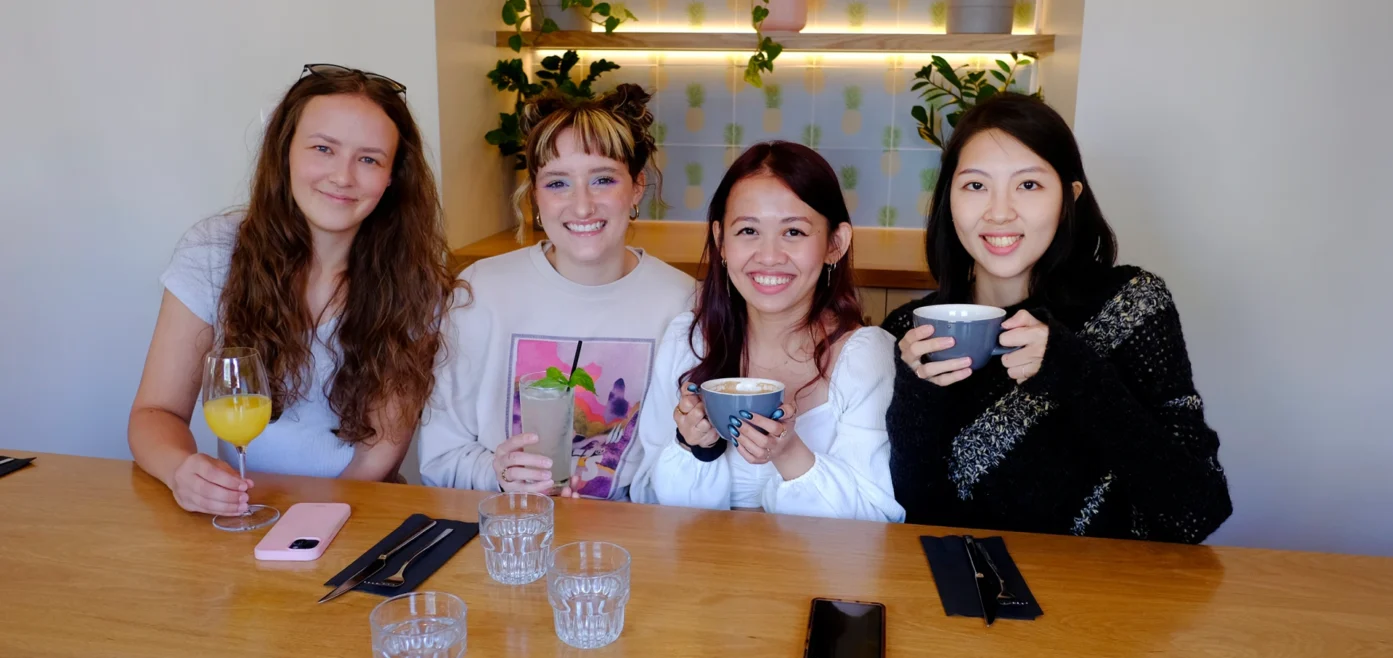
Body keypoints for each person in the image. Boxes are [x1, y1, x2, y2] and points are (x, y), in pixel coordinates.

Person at [883, 93, 1231, 542]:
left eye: (1028, 185)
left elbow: (1198, 510)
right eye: (975, 185)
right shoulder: (911, 332)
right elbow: (916, 519)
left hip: (1113, 600)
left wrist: (1076, 371)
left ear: (1069, 196)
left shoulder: (1130, 306)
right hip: (967, 598)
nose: (999, 212)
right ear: (949, 197)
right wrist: (918, 397)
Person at [129, 64, 459, 516]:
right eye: (323, 148)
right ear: (285, 152)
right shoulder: (213, 253)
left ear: (391, 179)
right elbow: (155, 413)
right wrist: (181, 470)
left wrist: (304, 524)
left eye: (369, 159)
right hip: (238, 513)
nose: (343, 176)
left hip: (355, 513)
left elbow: (378, 456)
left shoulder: (416, 282)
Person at [419, 85, 695, 500]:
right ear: (534, 194)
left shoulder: (683, 303)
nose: (582, 207)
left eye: (602, 179)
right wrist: (496, 472)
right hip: (510, 538)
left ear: (637, 187)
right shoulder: (479, 293)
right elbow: (439, 459)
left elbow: (688, 468)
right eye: (557, 183)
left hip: (634, 542)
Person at [631, 141, 905, 522]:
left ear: (835, 244)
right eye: (747, 230)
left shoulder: (865, 357)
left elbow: (878, 519)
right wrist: (696, 446)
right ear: (720, 242)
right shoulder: (688, 340)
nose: (769, 255)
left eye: (793, 232)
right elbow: (647, 496)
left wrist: (790, 454)